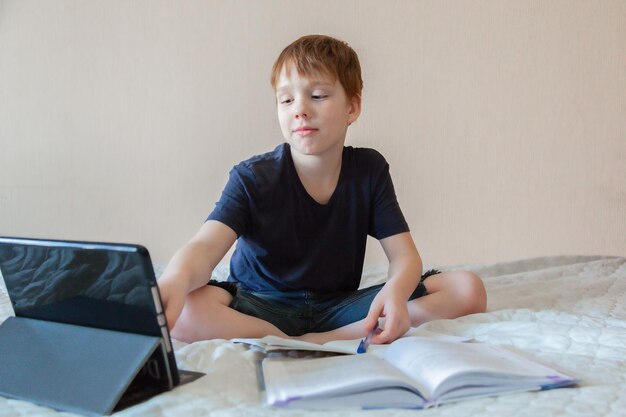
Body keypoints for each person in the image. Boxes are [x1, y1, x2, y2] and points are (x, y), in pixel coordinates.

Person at [158, 34, 486, 346]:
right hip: (260, 306)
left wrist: (395, 292)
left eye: (317, 96)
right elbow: (203, 247)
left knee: (466, 288)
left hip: (337, 307)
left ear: (352, 108)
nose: (299, 108)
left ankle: (327, 338)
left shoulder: (369, 170)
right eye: (286, 99)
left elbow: (404, 256)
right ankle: (293, 342)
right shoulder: (251, 177)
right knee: (188, 307)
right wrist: (174, 279)